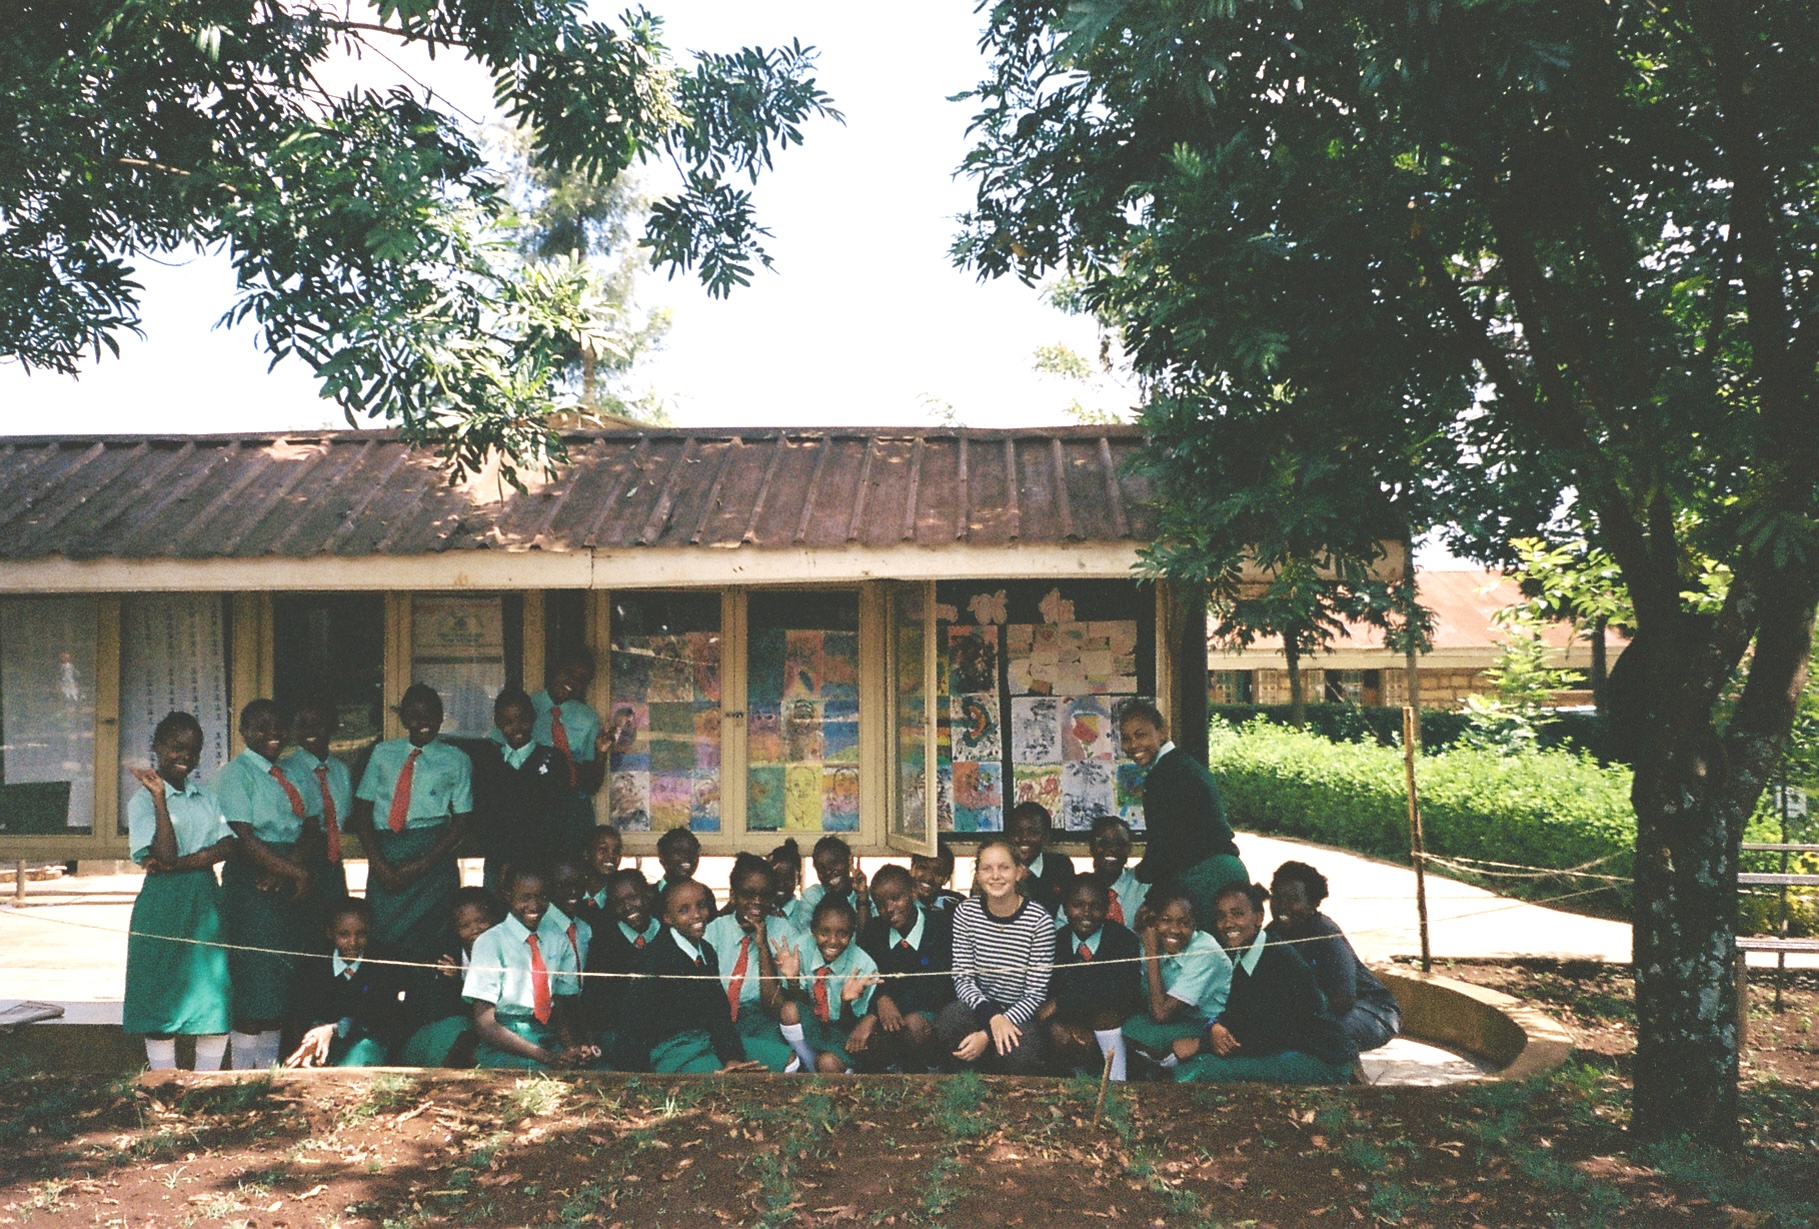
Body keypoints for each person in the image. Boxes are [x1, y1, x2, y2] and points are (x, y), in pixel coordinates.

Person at [123, 712, 236, 1072]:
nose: (184, 755)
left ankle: (206, 1083)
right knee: (161, 991)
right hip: (162, 902)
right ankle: (165, 1082)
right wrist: (159, 798)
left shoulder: (205, 796)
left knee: (211, 994)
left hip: (204, 899)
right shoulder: (142, 802)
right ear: (157, 746)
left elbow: (227, 846)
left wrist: (188, 862)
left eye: (193, 749)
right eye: (175, 746)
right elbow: (163, 854)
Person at [350, 683, 473, 984]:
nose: (424, 722)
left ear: (443, 717)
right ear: (403, 718)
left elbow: (461, 820)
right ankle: (386, 1008)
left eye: (431, 715)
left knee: (433, 937)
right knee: (384, 935)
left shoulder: (456, 759)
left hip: (433, 855)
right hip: (386, 854)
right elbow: (363, 812)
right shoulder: (382, 753)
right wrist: (380, 866)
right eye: (415, 716)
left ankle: (428, 1009)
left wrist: (422, 864)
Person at [1177, 882, 1356, 1085]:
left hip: (1317, 1059)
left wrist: (1202, 1044)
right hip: (1278, 1048)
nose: (1228, 923)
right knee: (1194, 1064)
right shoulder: (1243, 954)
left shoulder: (1279, 960)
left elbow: (1266, 1034)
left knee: (1204, 1070)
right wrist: (1215, 1028)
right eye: (1221, 916)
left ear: (1258, 918)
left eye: (1237, 914)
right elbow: (1238, 1013)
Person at [217, 698, 313, 1070]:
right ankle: (243, 1073)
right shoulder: (234, 775)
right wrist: (293, 873)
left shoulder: (293, 772)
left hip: (284, 878)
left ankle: (269, 1071)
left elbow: (310, 827)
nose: (272, 734)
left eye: (278, 726)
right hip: (252, 883)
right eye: (261, 726)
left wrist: (289, 869)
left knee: (279, 979)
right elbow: (242, 837)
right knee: (252, 978)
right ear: (242, 732)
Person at [1116, 698, 1248, 932]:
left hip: (1207, 877)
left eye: (1141, 735)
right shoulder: (1180, 764)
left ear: (1162, 730)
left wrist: (1150, 895)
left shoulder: (1164, 776)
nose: (1133, 744)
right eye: (1126, 738)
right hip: (1224, 870)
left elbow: (1166, 848)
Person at [613, 880, 763, 1074]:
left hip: (707, 1041)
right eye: (684, 910)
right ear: (667, 918)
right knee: (720, 1080)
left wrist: (731, 1057)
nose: (697, 915)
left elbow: (718, 1012)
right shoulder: (655, 958)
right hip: (672, 1050)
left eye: (701, 906)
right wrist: (637, 1077)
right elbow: (634, 1023)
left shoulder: (706, 951)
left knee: (786, 1060)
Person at [936, 835, 1053, 1075]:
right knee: (951, 1020)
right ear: (977, 874)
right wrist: (991, 1018)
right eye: (987, 869)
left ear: (1019, 872)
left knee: (1021, 1051)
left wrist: (990, 1032)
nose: (996, 876)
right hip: (980, 1007)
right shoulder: (966, 913)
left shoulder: (1039, 921)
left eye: (1004, 868)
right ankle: (965, 1087)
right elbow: (963, 978)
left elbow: (1035, 993)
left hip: (1019, 1012)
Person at [463, 863, 597, 1070]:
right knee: (540, 1073)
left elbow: (560, 1002)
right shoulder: (490, 942)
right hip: (506, 1038)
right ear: (508, 896)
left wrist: (572, 1047)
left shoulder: (558, 939)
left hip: (547, 1033)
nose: (534, 905)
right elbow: (485, 1024)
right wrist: (545, 1057)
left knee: (594, 1071)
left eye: (542, 897)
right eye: (525, 898)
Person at [1267, 861, 1401, 1052]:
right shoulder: (1272, 935)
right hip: (1324, 1012)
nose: (1283, 906)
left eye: (1293, 899)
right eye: (1277, 898)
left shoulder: (1326, 935)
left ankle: (1345, 1074)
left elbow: (1343, 998)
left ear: (1313, 903)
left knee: (1322, 1035)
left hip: (1371, 1010)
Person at [852, 863, 954, 1072]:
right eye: (880, 904)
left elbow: (935, 987)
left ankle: (933, 1074)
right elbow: (868, 974)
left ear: (913, 892)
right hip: (889, 1018)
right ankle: (893, 1076)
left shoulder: (940, 926)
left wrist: (880, 1009)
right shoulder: (875, 931)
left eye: (896, 898)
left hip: (932, 1013)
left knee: (914, 1024)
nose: (889, 909)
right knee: (872, 1036)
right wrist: (880, 1001)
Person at [1039, 874, 1142, 1080]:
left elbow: (1118, 991)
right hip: (1072, 1023)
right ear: (1065, 908)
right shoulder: (1055, 942)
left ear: (1107, 909)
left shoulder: (1123, 940)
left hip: (1114, 1025)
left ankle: (1117, 1083)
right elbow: (1048, 993)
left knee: (1106, 1015)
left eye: (1096, 906)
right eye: (1078, 905)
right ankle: (1076, 1084)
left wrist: (1061, 1003)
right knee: (1058, 1031)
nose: (1087, 913)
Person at [1122, 888, 1232, 1075]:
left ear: (1195, 924)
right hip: (1176, 1018)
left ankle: (1175, 1063)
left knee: (1153, 1040)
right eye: (1166, 920)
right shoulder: (1154, 939)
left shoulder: (1205, 951)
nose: (1174, 930)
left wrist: (1152, 953)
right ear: (1154, 921)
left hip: (1208, 1024)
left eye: (1184, 923)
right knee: (1128, 1028)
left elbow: (1161, 1014)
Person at [472, 686, 573, 891]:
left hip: (542, 862)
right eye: (508, 722)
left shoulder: (553, 760)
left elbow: (559, 815)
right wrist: (503, 860)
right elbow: (483, 819)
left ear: (533, 718)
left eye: (523, 720)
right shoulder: (489, 763)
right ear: (498, 723)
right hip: (500, 864)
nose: (517, 727)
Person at [703, 854, 797, 1072]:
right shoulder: (713, 931)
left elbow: (773, 1006)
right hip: (718, 1021)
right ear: (733, 895)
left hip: (760, 1019)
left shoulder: (783, 932)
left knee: (785, 1062)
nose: (757, 901)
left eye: (765, 895)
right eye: (748, 893)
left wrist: (763, 946)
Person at [285, 898, 404, 1068]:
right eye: (344, 935)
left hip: (366, 1041)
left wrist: (333, 1029)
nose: (353, 942)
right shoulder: (313, 962)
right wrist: (314, 1035)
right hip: (320, 1040)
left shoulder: (383, 963)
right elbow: (304, 1008)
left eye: (361, 934)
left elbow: (375, 1014)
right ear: (330, 933)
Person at [398, 886, 503, 1067]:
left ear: (494, 920)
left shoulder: (506, 950)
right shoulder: (443, 957)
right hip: (442, 1033)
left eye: (481, 921)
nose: (475, 930)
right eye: (465, 925)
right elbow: (441, 1011)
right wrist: (458, 982)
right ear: (454, 928)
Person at [777, 895, 879, 1074]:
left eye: (842, 934)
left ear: (852, 933)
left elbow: (851, 1025)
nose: (832, 941)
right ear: (813, 930)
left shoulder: (864, 965)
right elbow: (801, 1001)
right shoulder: (800, 948)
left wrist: (845, 1001)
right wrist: (792, 980)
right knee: (789, 1009)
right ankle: (808, 1064)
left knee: (827, 1063)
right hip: (816, 1023)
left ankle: (837, 1070)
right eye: (824, 933)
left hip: (845, 1033)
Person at [279, 697, 351, 932]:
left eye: (318, 723)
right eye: (302, 724)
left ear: (332, 725)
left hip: (331, 863)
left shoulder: (341, 771)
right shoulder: (285, 769)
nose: (310, 731)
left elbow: (342, 817)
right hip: (298, 859)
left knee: (333, 929)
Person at [531, 650, 610, 845]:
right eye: (569, 672)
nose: (573, 682)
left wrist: (601, 754)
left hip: (573, 810)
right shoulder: (527, 707)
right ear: (554, 669)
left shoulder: (588, 718)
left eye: (582, 679)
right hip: (535, 807)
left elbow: (593, 783)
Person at [581, 868, 663, 1054]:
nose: (627, 906)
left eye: (633, 897)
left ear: (648, 895)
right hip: (618, 1031)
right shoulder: (604, 943)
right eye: (619, 902)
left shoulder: (667, 934)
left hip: (662, 1031)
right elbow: (596, 1001)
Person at [1008, 802, 1075, 914]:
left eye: (1033, 833)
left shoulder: (1060, 867)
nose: (1024, 838)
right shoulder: (999, 869)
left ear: (1046, 837)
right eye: (1017, 831)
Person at [1087, 814, 1148, 929]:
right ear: (1092, 847)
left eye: (1120, 844)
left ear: (1129, 849)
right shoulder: (1078, 892)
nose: (1112, 849)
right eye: (1104, 843)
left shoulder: (1144, 890)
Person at [798, 835, 870, 927]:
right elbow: (808, 934)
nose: (828, 871)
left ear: (849, 860)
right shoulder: (813, 897)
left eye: (834, 863)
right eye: (821, 868)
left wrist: (862, 897)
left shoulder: (866, 895)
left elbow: (868, 937)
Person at [576, 825, 625, 920]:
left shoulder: (618, 898)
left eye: (616, 851)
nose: (611, 855)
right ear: (586, 853)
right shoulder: (574, 893)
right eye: (603, 849)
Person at [910, 843, 965, 913]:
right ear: (912, 868)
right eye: (923, 868)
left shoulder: (956, 906)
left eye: (938, 872)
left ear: (946, 879)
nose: (928, 877)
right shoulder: (900, 904)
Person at [655, 827, 701, 896]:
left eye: (692, 851)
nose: (686, 855)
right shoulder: (649, 896)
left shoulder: (703, 894)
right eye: (679, 851)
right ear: (662, 858)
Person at [768, 838, 805, 920]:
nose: (781, 884)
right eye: (776, 878)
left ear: (798, 879)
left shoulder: (804, 913)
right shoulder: (761, 910)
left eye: (788, 878)